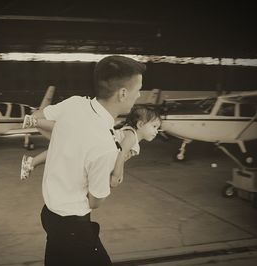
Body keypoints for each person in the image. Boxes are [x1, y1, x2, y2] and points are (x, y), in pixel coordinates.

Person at [31, 55, 146, 266]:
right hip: (73, 227)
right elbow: (95, 201)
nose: (139, 94)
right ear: (122, 93)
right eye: (138, 89)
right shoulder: (104, 146)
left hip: (49, 215)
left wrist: (64, 139)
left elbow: (38, 116)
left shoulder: (74, 104)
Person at [20, 105, 162, 188]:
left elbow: (116, 158)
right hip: (94, 142)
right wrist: (118, 174)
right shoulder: (131, 136)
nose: (157, 131)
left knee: (63, 143)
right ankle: (35, 122)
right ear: (140, 125)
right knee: (66, 134)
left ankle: (31, 161)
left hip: (94, 149)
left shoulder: (133, 139)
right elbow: (120, 152)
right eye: (155, 126)